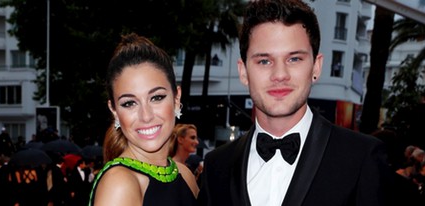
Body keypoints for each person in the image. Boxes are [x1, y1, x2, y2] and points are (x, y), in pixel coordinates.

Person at [198, 0, 393, 205]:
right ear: (244, 72)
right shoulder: (217, 165)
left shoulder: (361, 157)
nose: (280, 75)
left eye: (294, 59)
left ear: (316, 67)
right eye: (264, 61)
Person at [88, 33, 198, 206]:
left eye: (156, 98)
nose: (146, 116)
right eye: (129, 103)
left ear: (176, 99)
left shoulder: (185, 176)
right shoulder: (119, 184)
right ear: (114, 111)